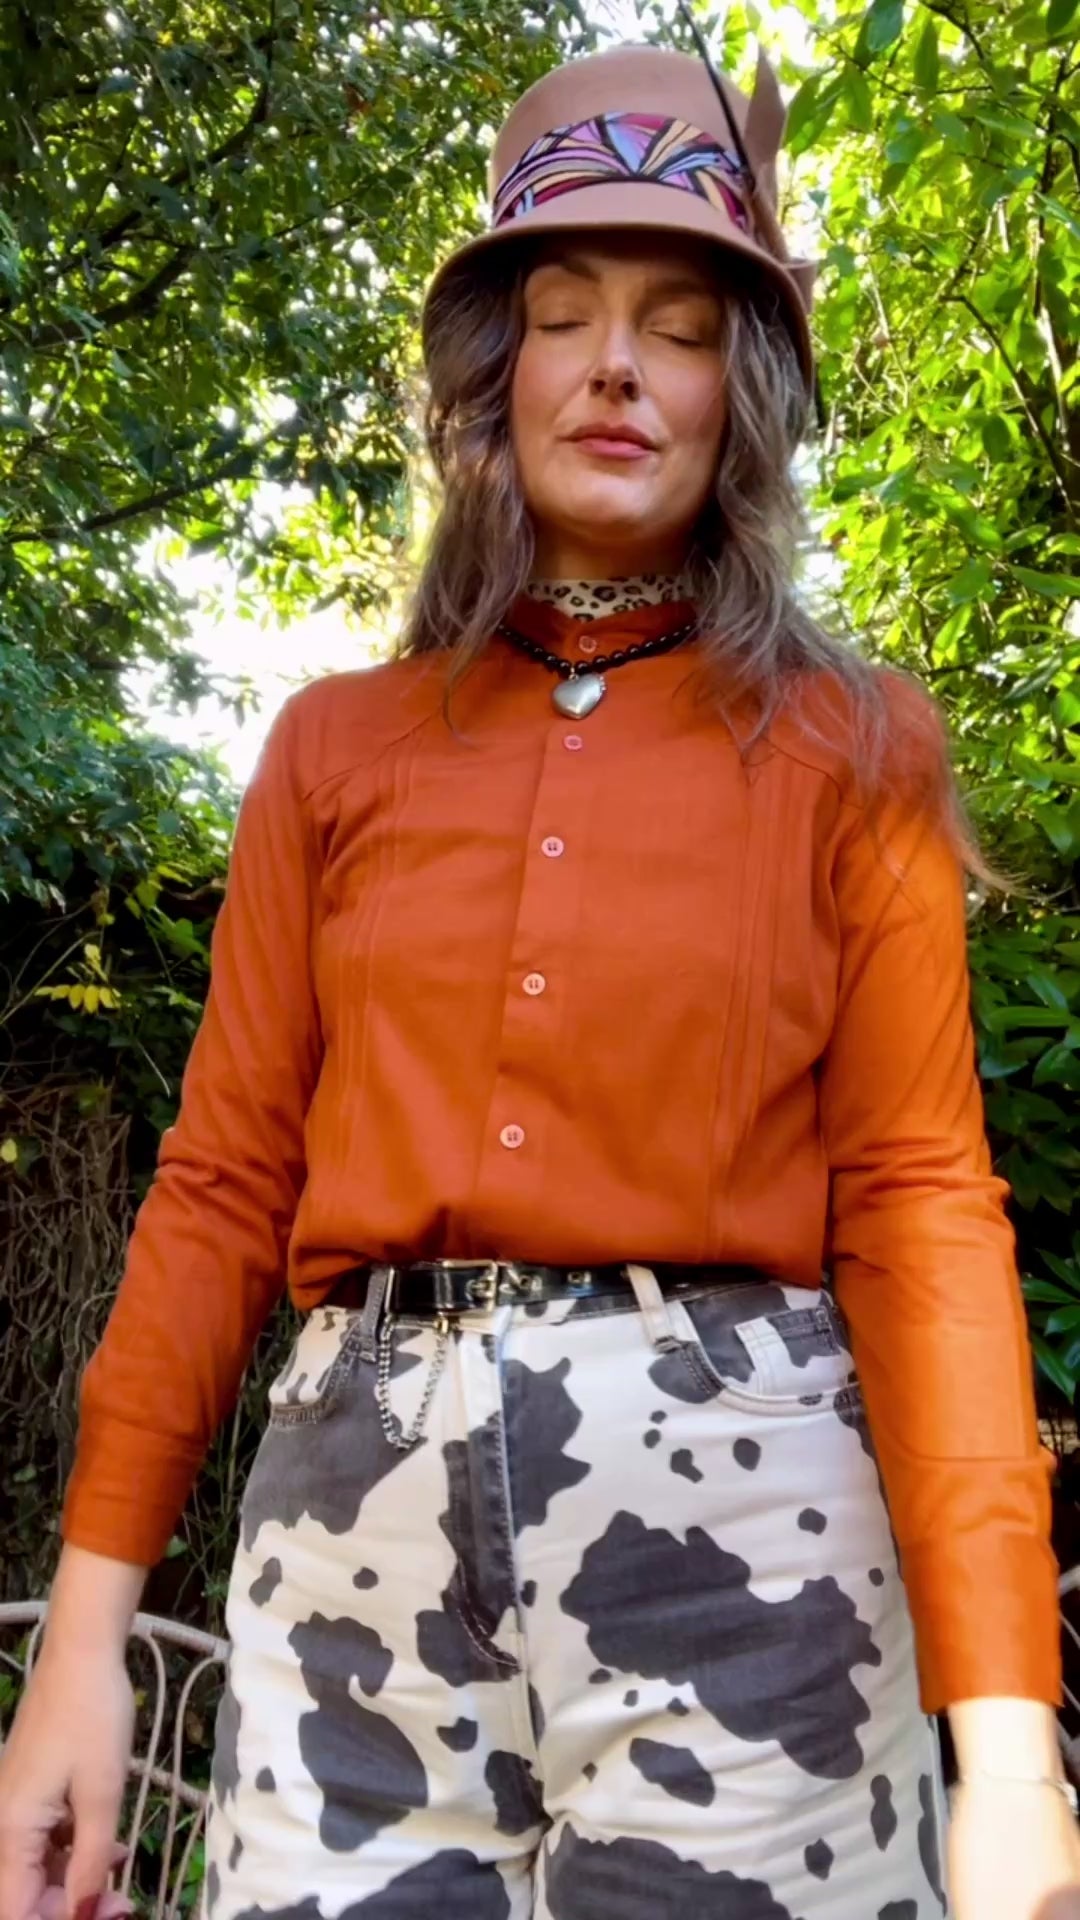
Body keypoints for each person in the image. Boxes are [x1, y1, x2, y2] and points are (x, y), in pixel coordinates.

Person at [0, 37, 1076, 1920]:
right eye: (563, 316)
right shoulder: (334, 751)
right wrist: (82, 1644)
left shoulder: (858, 752)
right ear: (494, 374)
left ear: (741, 390)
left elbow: (922, 1211)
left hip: (752, 1561)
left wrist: (1005, 1747)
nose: (615, 366)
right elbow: (222, 1184)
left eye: (678, 326)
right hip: (347, 1564)